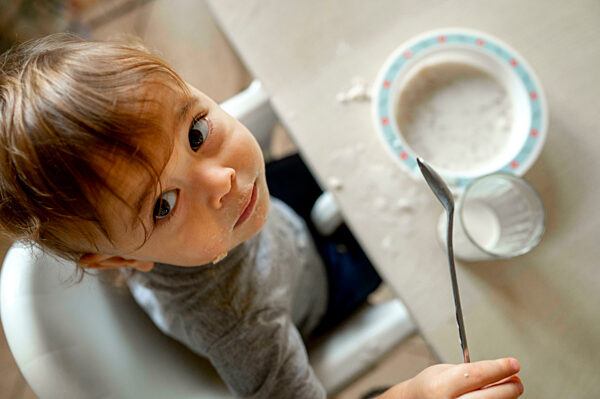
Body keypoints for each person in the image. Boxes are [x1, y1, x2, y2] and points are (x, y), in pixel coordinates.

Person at [0, 34, 524, 399]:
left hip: (274, 221)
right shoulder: (239, 322)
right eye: (163, 205)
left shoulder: (224, 202)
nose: (222, 180)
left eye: (197, 134)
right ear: (117, 258)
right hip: (322, 280)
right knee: (419, 239)